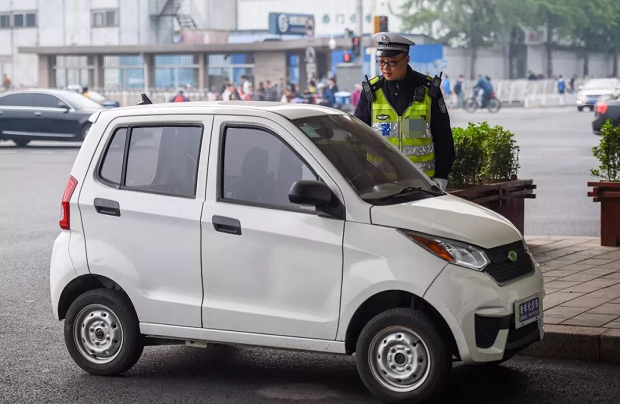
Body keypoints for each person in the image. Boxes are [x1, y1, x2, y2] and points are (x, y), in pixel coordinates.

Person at [354, 32, 455, 191]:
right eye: (381, 62)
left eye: (391, 62)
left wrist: (442, 175)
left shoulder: (429, 91)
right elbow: (357, 138)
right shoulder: (371, 93)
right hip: (380, 184)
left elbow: (444, 137)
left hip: (422, 183)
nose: (385, 68)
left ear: (406, 59)